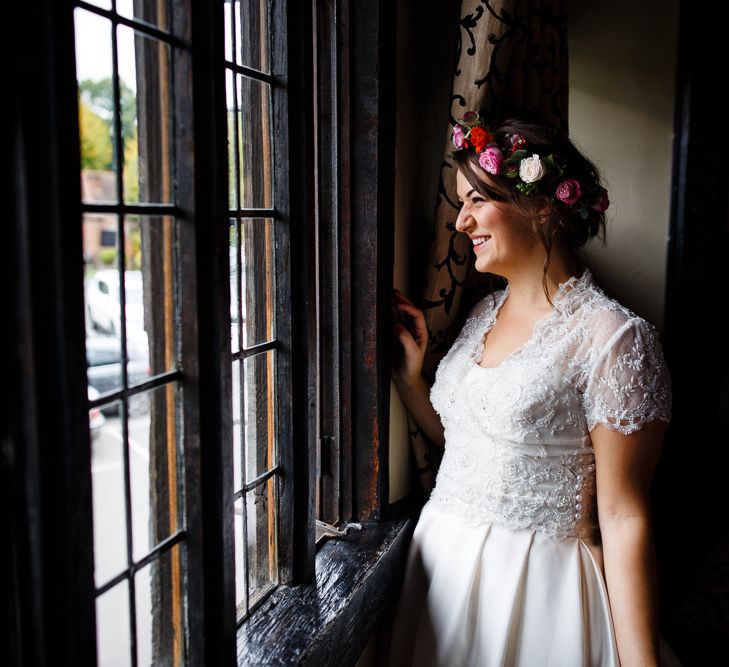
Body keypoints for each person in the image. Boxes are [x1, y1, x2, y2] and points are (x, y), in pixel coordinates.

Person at [385, 113, 684, 666]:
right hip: (438, 575)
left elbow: (624, 517)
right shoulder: (482, 313)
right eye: (460, 203)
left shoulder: (614, 339)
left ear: (542, 205)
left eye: (477, 200)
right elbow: (475, 451)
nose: (461, 222)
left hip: (535, 594)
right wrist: (411, 382)